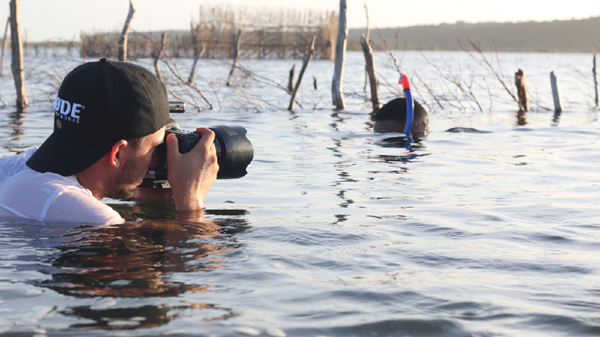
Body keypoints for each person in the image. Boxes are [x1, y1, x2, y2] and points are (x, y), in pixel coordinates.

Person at [0, 58, 219, 224]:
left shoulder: (12, 169)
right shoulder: (87, 215)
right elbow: (194, 268)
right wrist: (191, 200)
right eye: (155, 147)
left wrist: (144, 202)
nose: (157, 159)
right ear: (117, 154)